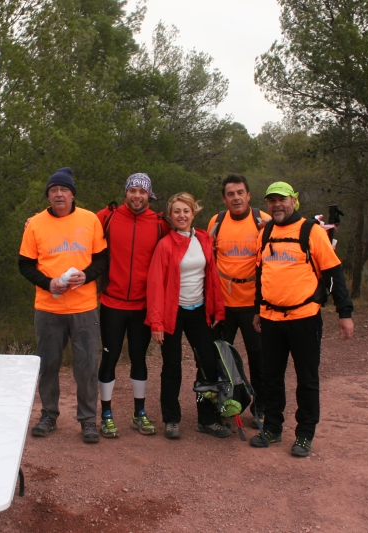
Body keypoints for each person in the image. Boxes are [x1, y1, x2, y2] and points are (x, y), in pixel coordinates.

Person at [250, 182, 354, 457]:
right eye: (272, 200)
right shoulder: (265, 233)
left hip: (304, 318)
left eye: (282, 200)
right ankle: (272, 428)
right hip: (271, 318)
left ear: (294, 201)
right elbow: (261, 274)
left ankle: (305, 434)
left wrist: (344, 313)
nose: (276, 205)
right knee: (271, 377)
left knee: (306, 379)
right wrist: (258, 308)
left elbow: (333, 274)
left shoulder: (311, 231)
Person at [18, 167, 108, 444]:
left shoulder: (90, 219)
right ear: (48, 196)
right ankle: (49, 415)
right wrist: (48, 283)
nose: (59, 194)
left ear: (72, 195)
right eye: (54, 190)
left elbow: (102, 259)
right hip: (49, 308)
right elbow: (25, 265)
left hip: (84, 308)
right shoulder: (35, 224)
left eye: (64, 189)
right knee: (48, 365)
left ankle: (88, 420)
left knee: (87, 366)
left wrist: (87, 275)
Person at [146, 192, 228, 439]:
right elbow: (155, 285)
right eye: (177, 211)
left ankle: (207, 418)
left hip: (199, 310)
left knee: (207, 364)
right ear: (170, 216)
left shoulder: (204, 239)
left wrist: (217, 309)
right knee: (172, 366)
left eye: (186, 211)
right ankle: (171, 419)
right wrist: (156, 322)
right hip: (174, 312)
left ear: (193, 213)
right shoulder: (165, 245)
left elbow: (212, 278)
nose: (182, 215)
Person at [95, 173, 170, 438]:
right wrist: (36, 220)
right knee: (110, 357)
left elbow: (185, 236)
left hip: (142, 306)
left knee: (139, 358)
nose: (137, 195)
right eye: (133, 190)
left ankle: (139, 412)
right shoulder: (107, 217)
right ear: (125, 192)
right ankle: (106, 414)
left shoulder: (160, 223)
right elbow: (75, 225)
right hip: (112, 303)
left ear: (150, 195)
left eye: (142, 191)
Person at [207, 173, 270, 428]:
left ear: (249, 195)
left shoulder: (263, 220)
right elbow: (209, 258)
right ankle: (224, 405)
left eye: (240, 193)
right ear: (224, 199)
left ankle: (260, 407)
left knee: (259, 358)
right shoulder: (217, 221)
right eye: (230, 194)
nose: (236, 198)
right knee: (221, 358)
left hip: (254, 304)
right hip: (224, 304)